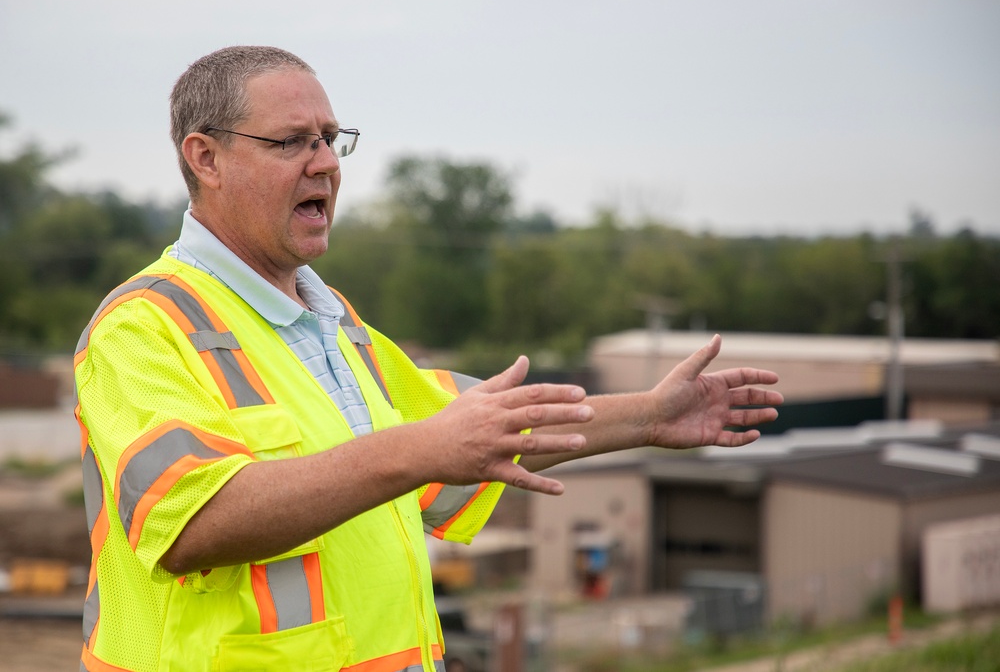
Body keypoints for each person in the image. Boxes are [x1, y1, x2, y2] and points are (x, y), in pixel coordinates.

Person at [74, 45, 783, 672]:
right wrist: (418, 449)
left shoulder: (332, 324)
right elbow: (192, 522)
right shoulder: (141, 327)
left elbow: (478, 430)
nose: (324, 162)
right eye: (291, 141)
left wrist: (650, 415)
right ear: (206, 158)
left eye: (330, 138)